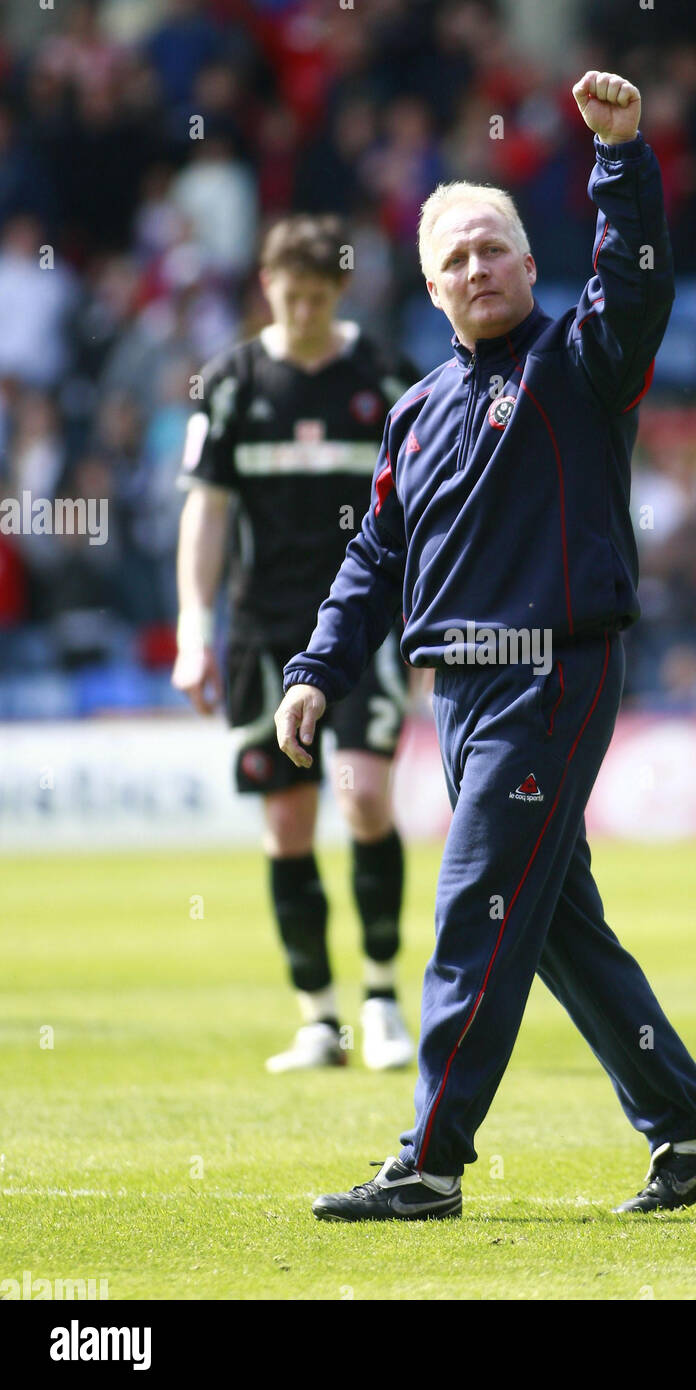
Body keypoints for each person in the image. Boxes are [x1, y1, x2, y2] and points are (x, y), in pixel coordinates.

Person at [275, 73, 696, 1218]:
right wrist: (314, 670)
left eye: (496, 249)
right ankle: (686, 1137)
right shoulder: (416, 410)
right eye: (456, 260)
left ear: (533, 265)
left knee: (473, 907)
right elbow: (373, 559)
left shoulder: (581, 365)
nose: (479, 269)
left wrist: (619, 157)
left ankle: (429, 1160)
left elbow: (636, 284)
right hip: (461, 691)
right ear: (430, 289)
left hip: (552, 671)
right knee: (554, 929)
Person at [172, 214, 417, 1074]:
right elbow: (205, 514)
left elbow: (424, 514)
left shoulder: (384, 376)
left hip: (360, 629)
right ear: (265, 289)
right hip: (265, 633)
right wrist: (193, 632)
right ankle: (319, 1017)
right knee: (286, 819)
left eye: (317, 296)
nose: (303, 311)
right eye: (288, 295)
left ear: (338, 291)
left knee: (363, 798)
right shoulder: (230, 384)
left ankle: (382, 1000)